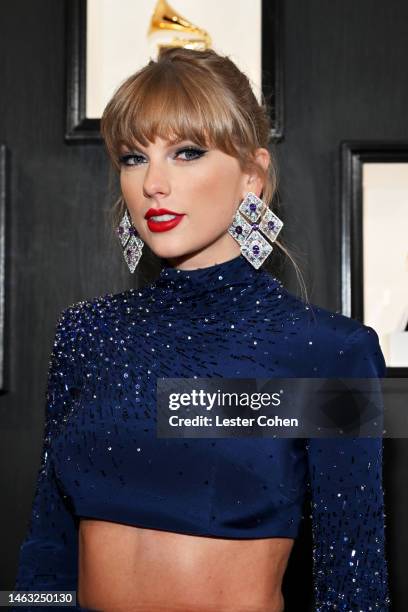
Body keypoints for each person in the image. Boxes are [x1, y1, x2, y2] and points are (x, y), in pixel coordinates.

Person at [13, 47, 390, 611]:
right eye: (134, 158)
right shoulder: (86, 334)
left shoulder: (328, 351)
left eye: (187, 152)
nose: (153, 185)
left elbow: (350, 578)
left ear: (252, 177)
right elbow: (48, 539)